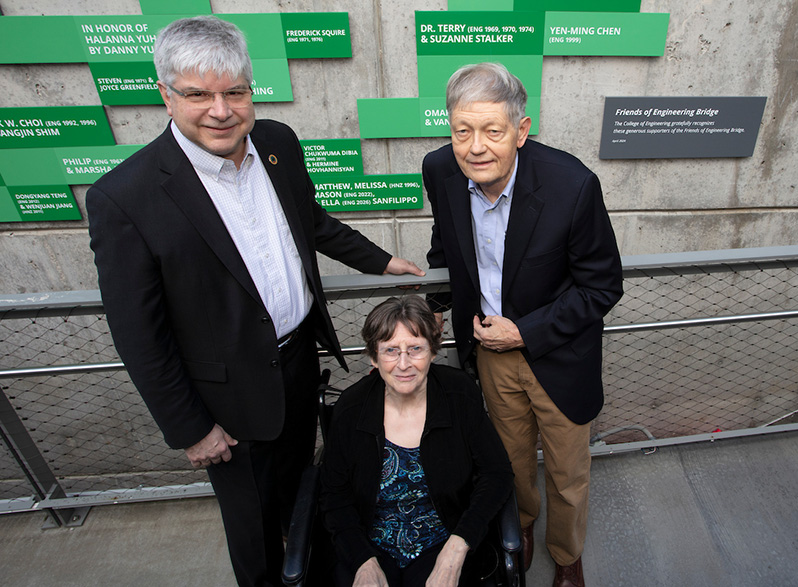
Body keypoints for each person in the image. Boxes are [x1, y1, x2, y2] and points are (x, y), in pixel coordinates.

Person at [86, 16, 424, 587]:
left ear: (250, 90)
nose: (221, 110)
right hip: (229, 406)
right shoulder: (124, 198)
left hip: (298, 367)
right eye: (198, 94)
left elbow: (308, 220)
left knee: (304, 491)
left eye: (234, 92)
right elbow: (140, 335)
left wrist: (382, 261)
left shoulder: (276, 142)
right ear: (166, 95)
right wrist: (191, 428)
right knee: (255, 529)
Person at [422, 62, 623, 587]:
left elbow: (602, 287)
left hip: (559, 357)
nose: (475, 147)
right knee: (509, 461)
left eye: (493, 131)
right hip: (489, 354)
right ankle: (522, 526)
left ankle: (566, 554)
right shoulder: (440, 169)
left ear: (522, 130)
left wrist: (526, 331)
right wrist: (440, 302)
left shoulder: (572, 185)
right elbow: (446, 247)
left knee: (566, 473)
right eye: (462, 131)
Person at [321, 296, 513, 586]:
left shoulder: (459, 394)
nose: (403, 364)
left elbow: (496, 474)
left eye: (415, 349)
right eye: (390, 351)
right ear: (374, 357)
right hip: (372, 546)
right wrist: (363, 561)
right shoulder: (351, 408)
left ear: (433, 351)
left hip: (444, 540)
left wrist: (457, 549)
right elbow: (334, 495)